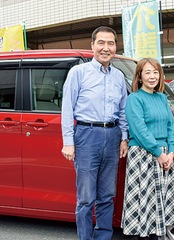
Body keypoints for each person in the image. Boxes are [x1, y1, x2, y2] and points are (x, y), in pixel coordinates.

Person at [61, 26, 129, 240]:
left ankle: (103, 237)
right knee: (86, 197)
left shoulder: (119, 76)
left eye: (110, 43)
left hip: (112, 136)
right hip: (86, 135)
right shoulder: (78, 73)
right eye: (101, 43)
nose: (106, 48)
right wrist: (68, 141)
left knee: (107, 195)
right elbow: (67, 108)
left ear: (115, 47)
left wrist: (124, 137)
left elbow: (123, 110)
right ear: (92, 46)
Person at [121, 58, 174, 240]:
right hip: (142, 154)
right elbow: (139, 130)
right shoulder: (134, 98)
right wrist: (159, 153)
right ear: (139, 77)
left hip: (163, 155)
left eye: (155, 72)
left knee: (157, 203)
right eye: (147, 72)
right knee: (141, 202)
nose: (152, 76)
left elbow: (171, 126)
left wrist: (170, 152)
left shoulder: (162, 98)